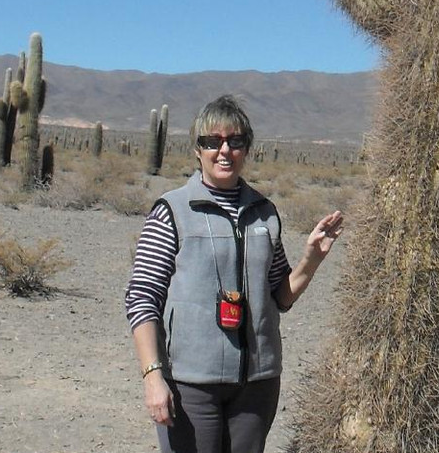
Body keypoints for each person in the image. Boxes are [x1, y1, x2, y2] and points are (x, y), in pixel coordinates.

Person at [125, 95, 344, 453]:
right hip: (191, 382)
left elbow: (280, 295)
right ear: (197, 150)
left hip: (257, 384)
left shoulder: (264, 212)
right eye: (212, 141)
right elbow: (142, 298)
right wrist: (153, 376)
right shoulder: (172, 211)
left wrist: (312, 259)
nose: (224, 150)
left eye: (235, 141)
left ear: (247, 148)